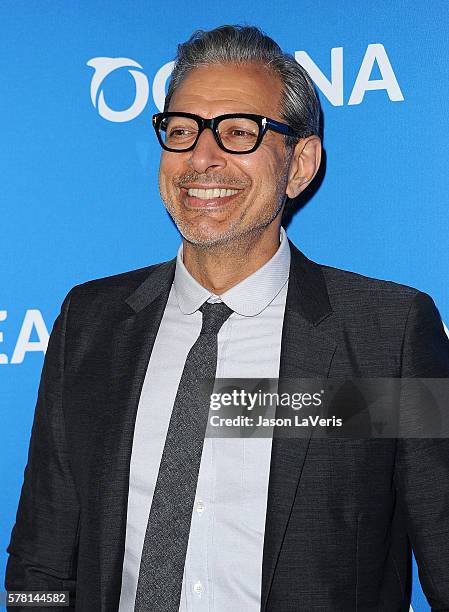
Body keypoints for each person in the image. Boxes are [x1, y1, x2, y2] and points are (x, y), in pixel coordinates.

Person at [5, 25, 449, 612]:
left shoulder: (385, 335)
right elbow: (42, 557)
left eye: (239, 132)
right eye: (182, 131)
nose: (201, 158)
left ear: (300, 164)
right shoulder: (91, 324)